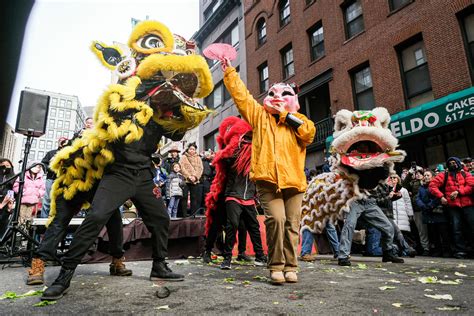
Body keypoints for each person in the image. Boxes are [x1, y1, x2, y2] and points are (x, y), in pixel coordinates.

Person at [222, 58, 316, 284]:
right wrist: (229, 73)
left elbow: (308, 135)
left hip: (294, 182)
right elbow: (242, 97)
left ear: (294, 100)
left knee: (293, 224)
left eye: (284, 94)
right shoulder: (259, 116)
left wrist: (285, 115)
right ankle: (275, 265)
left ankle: (291, 266)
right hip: (267, 181)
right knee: (276, 219)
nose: (277, 97)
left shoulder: (301, 120)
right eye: (273, 93)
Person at [429, 157, 473, 259]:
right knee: (456, 229)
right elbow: (432, 185)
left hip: (468, 205)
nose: (453, 164)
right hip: (453, 206)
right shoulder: (444, 175)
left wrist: (459, 191)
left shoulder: (466, 174)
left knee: (471, 227)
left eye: (455, 162)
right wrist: (441, 196)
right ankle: (460, 250)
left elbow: (471, 186)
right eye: (451, 163)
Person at [416, 170, 451, 257]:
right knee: (433, 232)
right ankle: (437, 250)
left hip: (438, 211)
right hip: (428, 212)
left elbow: (438, 196)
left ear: (433, 177)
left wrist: (431, 205)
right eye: (425, 175)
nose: (426, 177)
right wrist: (423, 206)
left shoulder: (437, 185)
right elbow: (418, 198)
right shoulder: (421, 187)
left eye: (428, 175)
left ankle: (447, 251)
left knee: (443, 232)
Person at [40, 137, 69, 218]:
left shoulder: (70, 153)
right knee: (47, 201)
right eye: (61, 140)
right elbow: (43, 164)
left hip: (64, 180)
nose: (62, 142)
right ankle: (43, 221)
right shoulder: (51, 153)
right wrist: (51, 167)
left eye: (64, 141)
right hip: (51, 179)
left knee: (61, 202)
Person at [403, 166, 430, 255]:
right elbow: (404, 186)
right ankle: (423, 248)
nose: (417, 175)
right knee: (420, 231)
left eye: (419, 173)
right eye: (416, 174)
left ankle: (427, 248)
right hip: (415, 209)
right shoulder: (413, 183)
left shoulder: (423, 183)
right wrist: (409, 174)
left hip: (424, 208)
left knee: (425, 231)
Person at [13, 162, 45, 226]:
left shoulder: (40, 177)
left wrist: (38, 194)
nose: (37, 168)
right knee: (21, 218)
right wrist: (23, 192)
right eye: (36, 166)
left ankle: (26, 232)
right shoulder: (23, 175)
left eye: (39, 167)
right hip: (23, 201)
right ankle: (19, 233)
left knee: (29, 219)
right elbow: (16, 186)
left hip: (33, 202)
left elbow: (43, 189)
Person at [179, 142, 203, 217]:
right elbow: (181, 167)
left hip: (195, 181)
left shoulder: (198, 158)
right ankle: (184, 214)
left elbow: (200, 168)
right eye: (190, 149)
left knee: (194, 197)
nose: (192, 150)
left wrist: (195, 177)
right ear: (188, 149)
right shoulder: (183, 157)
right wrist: (188, 176)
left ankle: (193, 215)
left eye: (193, 149)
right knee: (184, 197)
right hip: (186, 180)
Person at [0, 158, 15, 237]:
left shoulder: (15, 179)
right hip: (2, 203)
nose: (5, 168)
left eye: (8, 166)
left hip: (8, 205)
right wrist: (2, 203)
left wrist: (10, 207)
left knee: (5, 223)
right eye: (3, 166)